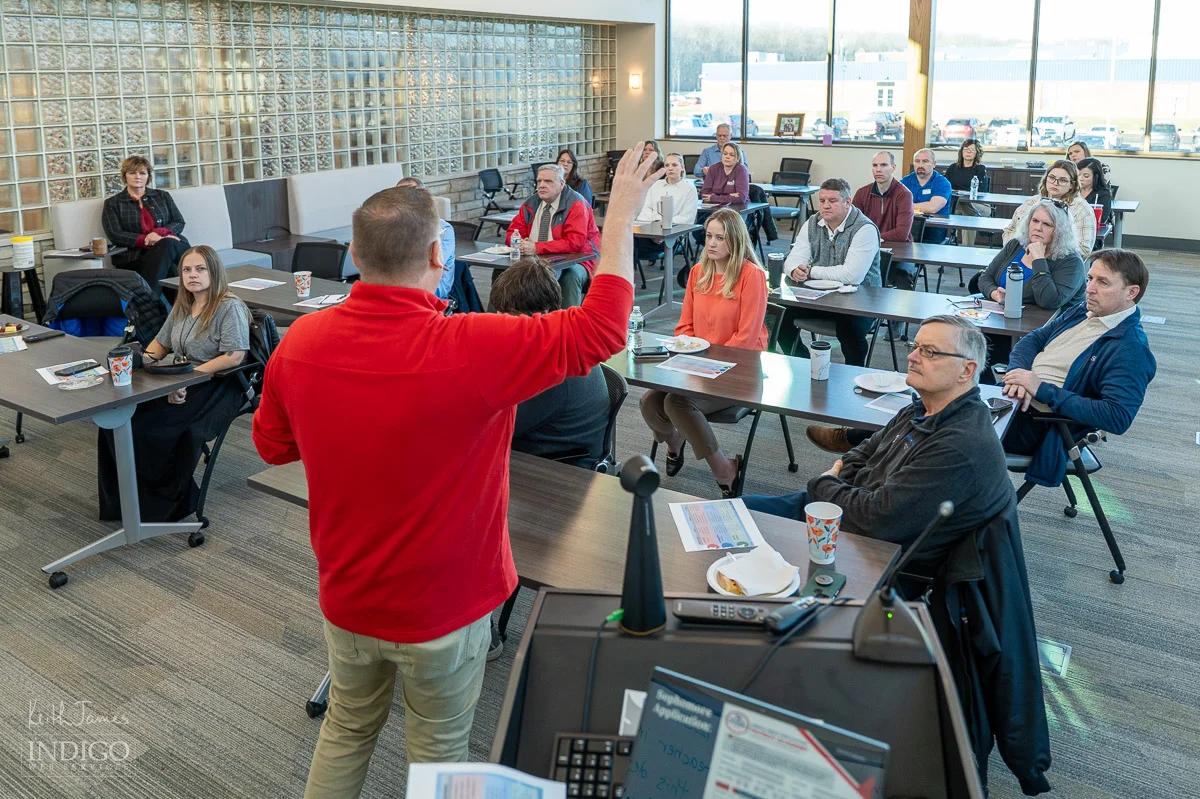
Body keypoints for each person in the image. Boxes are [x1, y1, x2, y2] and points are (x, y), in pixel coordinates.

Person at [252, 146, 660, 797]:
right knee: (439, 754)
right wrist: (620, 222)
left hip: (349, 594)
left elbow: (273, 447)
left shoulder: (299, 344)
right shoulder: (471, 346)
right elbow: (602, 330)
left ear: (354, 257)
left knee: (348, 731)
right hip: (447, 607)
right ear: (439, 257)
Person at [743, 315, 1012, 577]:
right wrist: (840, 484)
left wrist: (826, 483)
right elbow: (864, 451)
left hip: (870, 554)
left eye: (929, 352)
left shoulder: (959, 446)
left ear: (967, 370)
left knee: (735, 541)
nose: (912, 357)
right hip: (844, 510)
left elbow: (876, 521)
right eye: (915, 346)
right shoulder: (924, 408)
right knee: (731, 514)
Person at [98, 245, 249, 522]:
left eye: (200, 269)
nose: (193, 275)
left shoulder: (229, 306)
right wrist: (141, 361)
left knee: (150, 428)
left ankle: (166, 505)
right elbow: (160, 344)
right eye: (187, 270)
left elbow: (234, 355)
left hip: (215, 384)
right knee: (117, 416)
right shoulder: (184, 306)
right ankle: (125, 502)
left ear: (214, 272)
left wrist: (188, 379)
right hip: (180, 378)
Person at [639, 208, 767, 497]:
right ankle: (675, 440)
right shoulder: (698, 272)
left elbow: (746, 339)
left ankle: (725, 468)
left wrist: (704, 366)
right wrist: (688, 354)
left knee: (676, 404)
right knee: (648, 401)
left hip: (739, 371)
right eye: (709, 236)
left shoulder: (752, 275)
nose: (711, 243)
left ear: (735, 241)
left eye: (720, 238)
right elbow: (684, 326)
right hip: (696, 367)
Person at [1001, 249, 1155, 488]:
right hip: (1015, 398)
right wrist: (1017, 376)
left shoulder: (1130, 349)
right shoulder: (1083, 310)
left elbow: (1117, 417)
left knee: (951, 431)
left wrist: (1041, 389)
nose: (1090, 288)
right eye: (1090, 279)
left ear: (1131, 293)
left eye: (1102, 282)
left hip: (1041, 425)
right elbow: (1032, 340)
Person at [491, 257, 609, 470]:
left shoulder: (557, 368)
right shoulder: (554, 340)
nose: (502, 327)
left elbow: (501, 424)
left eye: (510, 318)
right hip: (543, 444)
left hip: (559, 467)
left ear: (542, 313)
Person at [778, 178, 882, 365]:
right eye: (822, 200)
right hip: (820, 297)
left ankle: (853, 374)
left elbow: (852, 276)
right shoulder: (812, 222)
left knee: (849, 327)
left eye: (832, 201)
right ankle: (801, 362)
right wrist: (795, 270)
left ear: (847, 202)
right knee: (776, 312)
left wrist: (811, 271)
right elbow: (792, 258)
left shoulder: (865, 229)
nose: (825, 206)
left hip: (861, 301)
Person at [504, 164, 603, 308]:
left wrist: (537, 248)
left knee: (570, 276)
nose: (542, 185)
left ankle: (568, 325)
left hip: (579, 259)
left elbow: (575, 243)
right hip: (537, 259)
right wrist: (519, 243)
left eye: (548, 181)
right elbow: (512, 234)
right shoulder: (530, 203)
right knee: (503, 272)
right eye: (539, 181)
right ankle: (501, 322)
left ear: (561, 184)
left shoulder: (576, 203)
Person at [101, 155, 190, 292]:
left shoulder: (162, 196)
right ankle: (196, 306)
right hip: (136, 255)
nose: (138, 176)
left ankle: (149, 301)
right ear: (125, 176)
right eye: (132, 173)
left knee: (168, 246)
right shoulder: (113, 203)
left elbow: (179, 221)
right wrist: (147, 240)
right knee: (170, 263)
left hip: (167, 248)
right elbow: (115, 234)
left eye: (142, 173)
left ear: (148, 176)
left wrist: (158, 234)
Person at [1003, 160, 1095, 259]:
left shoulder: (1081, 208)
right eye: (1052, 178)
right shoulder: (1031, 203)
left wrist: (1043, 254)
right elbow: (1010, 231)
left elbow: (1084, 249)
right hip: (1023, 257)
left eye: (1062, 180)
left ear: (1072, 185)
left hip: (1057, 264)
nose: (1055, 183)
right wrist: (1022, 251)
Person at [851, 151, 915, 288]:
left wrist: (870, 236)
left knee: (902, 276)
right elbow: (852, 227)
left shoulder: (904, 195)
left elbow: (901, 234)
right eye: (875, 165)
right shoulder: (862, 193)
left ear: (894, 167)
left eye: (884, 165)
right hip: (868, 249)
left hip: (899, 253)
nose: (878, 169)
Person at [634, 152, 701, 264]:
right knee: (627, 240)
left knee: (632, 245)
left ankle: (629, 277)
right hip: (650, 233)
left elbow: (686, 219)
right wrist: (654, 228)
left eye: (674, 165)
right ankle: (628, 277)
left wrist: (662, 225)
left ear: (682, 168)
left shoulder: (689, 189)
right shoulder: (656, 185)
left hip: (671, 235)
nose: (670, 168)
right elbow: (645, 210)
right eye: (667, 165)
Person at [396, 177, 456, 300]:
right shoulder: (393, 227)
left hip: (433, 293)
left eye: (411, 194)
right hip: (400, 290)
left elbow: (433, 264)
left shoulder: (443, 228)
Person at [944, 138, 991, 246]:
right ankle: (967, 250)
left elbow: (982, 191)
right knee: (969, 216)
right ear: (961, 151)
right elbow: (945, 187)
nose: (968, 152)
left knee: (967, 214)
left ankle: (965, 247)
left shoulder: (980, 169)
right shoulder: (953, 168)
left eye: (972, 150)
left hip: (977, 204)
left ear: (977, 153)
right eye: (966, 149)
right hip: (957, 205)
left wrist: (960, 193)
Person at [900, 148, 954, 235]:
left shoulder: (942, 183)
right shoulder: (905, 181)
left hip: (934, 228)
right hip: (909, 225)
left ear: (934, 164)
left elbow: (932, 208)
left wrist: (905, 207)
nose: (920, 165)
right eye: (917, 161)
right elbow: (893, 203)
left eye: (925, 161)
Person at [1076, 156, 1112, 237]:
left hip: (1091, 234)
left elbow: (1101, 219)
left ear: (1096, 177)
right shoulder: (1072, 190)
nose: (1080, 179)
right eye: (1078, 175)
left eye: (1086, 176)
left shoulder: (1103, 194)